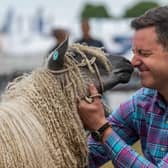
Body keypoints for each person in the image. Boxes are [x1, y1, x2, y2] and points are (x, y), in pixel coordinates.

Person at [78, 6, 168, 167]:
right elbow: (87, 156)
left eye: (144, 53)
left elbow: (102, 128)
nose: (133, 62)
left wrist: (102, 128)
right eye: (134, 52)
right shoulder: (143, 102)